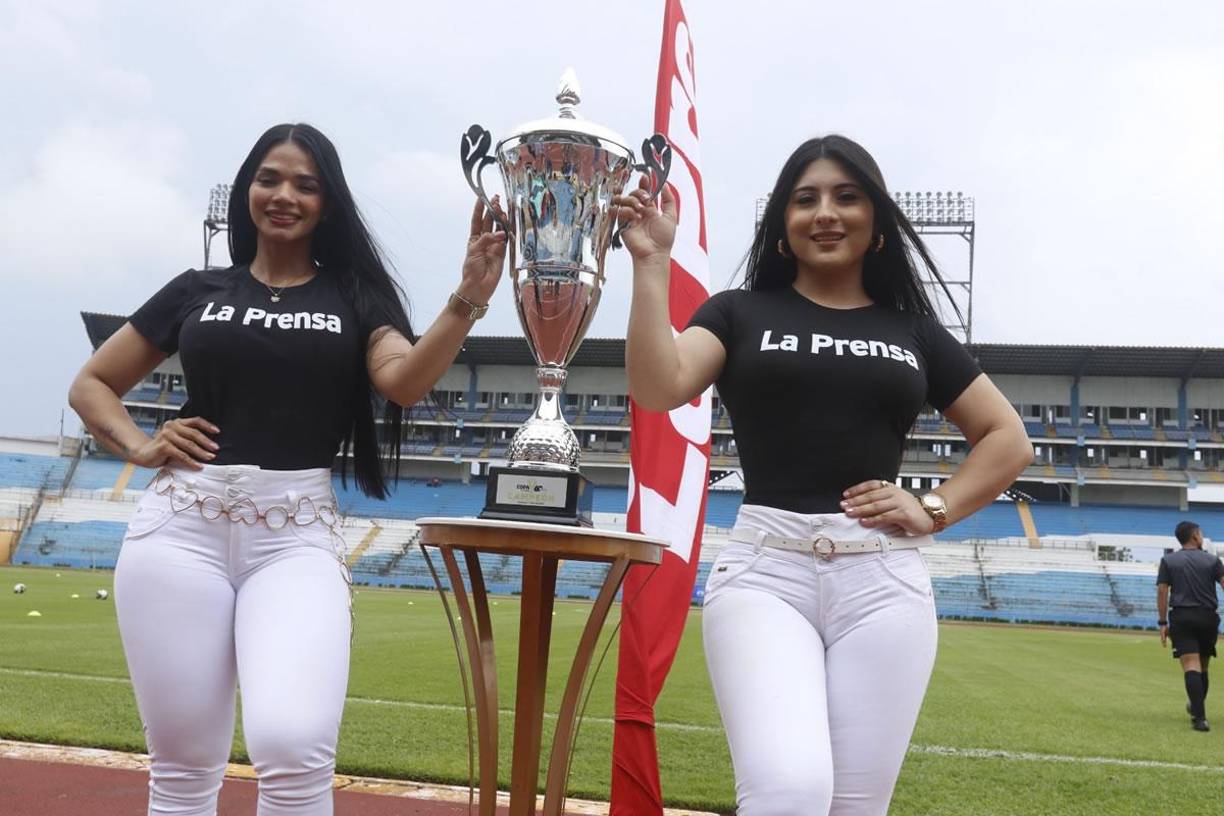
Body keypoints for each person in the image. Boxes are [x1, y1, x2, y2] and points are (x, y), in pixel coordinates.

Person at [67, 122, 506, 815]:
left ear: (327, 204)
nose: (284, 195)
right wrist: (141, 445)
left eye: (305, 184)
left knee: (293, 745)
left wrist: (467, 300)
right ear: (247, 190)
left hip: (294, 539)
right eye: (269, 179)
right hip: (178, 532)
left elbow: (404, 381)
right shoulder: (197, 289)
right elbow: (92, 384)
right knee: (182, 766)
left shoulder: (355, 297)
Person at [615, 134, 1033, 816]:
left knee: (855, 808)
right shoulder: (738, 312)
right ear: (783, 224)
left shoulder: (915, 331)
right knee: (790, 791)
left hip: (884, 584)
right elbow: (659, 386)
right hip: (765, 573)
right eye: (805, 199)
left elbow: (1008, 438)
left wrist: (932, 507)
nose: (826, 213)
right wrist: (652, 264)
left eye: (847, 196)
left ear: (876, 222)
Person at [1158, 520, 1224, 732]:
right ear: (1195, 536)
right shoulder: (1212, 561)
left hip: (1182, 617)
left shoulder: (1168, 561)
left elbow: (1162, 590)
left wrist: (1162, 622)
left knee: (1190, 664)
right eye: (1201, 533)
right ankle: (1196, 707)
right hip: (1208, 617)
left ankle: (1200, 718)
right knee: (1203, 665)